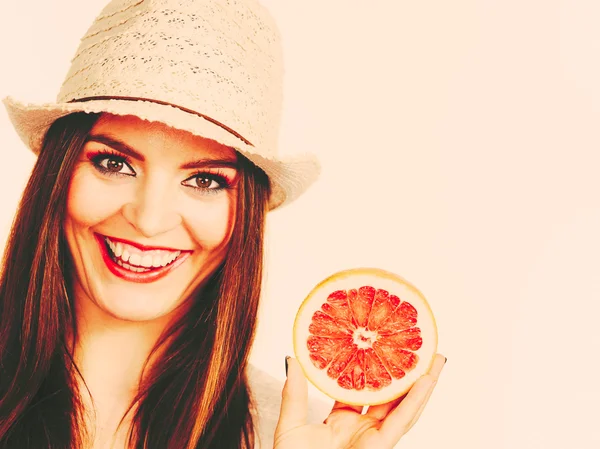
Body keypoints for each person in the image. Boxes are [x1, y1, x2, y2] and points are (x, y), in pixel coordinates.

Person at [0, 0, 446, 448]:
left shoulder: (295, 433)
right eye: (114, 163)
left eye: (204, 180)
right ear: (58, 174)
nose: (150, 220)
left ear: (247, 211)